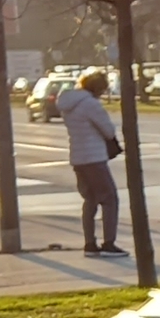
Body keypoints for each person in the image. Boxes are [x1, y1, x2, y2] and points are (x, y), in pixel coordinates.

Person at [60, 67, 124, 256]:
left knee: (90, 200)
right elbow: (108, 131)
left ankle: (89, 243)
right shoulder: (91, 105)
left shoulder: (68, 104)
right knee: (110, 198)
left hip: (78, 158)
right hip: (94, 157)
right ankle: (109, 243)